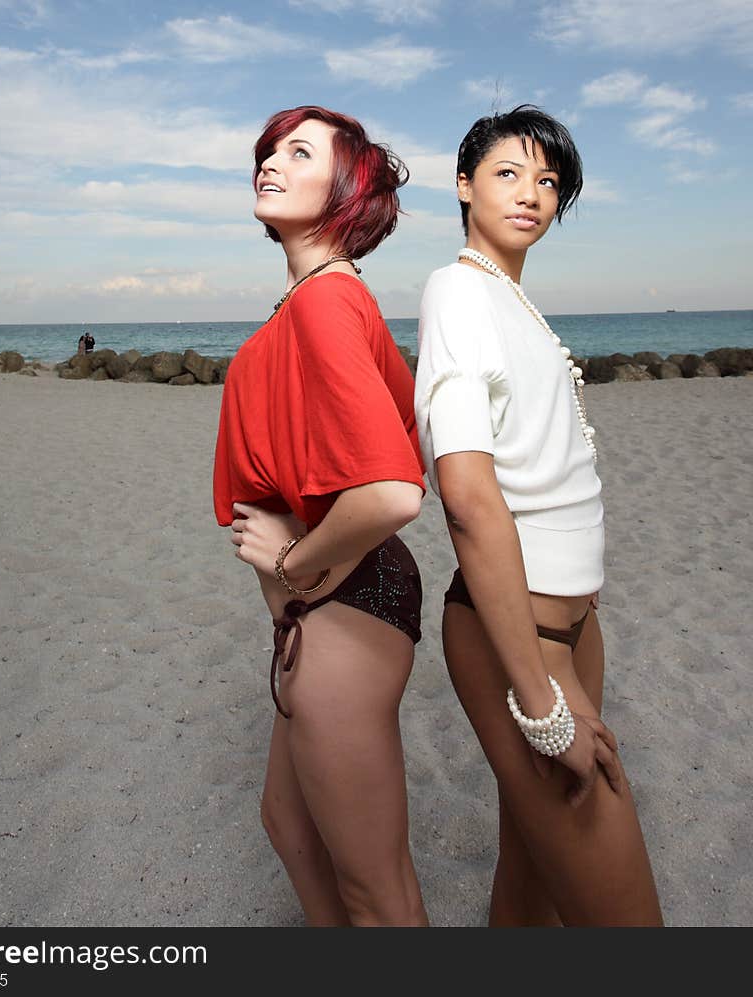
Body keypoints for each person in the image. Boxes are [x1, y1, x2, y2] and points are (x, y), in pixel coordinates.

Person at [414, 105, 663, 926]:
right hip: (518, 640)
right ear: (464, 184)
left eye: (548, 180)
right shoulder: (457, 289)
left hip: (573, 628)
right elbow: (466, 493)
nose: (532, 194)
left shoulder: (513, 300)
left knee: (531, 883)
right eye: (507, 173)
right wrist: (542, 704)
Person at [213, 106, 428, 926]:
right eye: (268, 149)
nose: (270, 160)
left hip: (344, 599)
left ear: (347, 187)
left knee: (378, 888)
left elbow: (392, 491)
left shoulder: (323, 303)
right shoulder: (314, 297)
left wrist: (294, 562)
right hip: (328, 603)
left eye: (298, 152)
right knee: (290, 824)